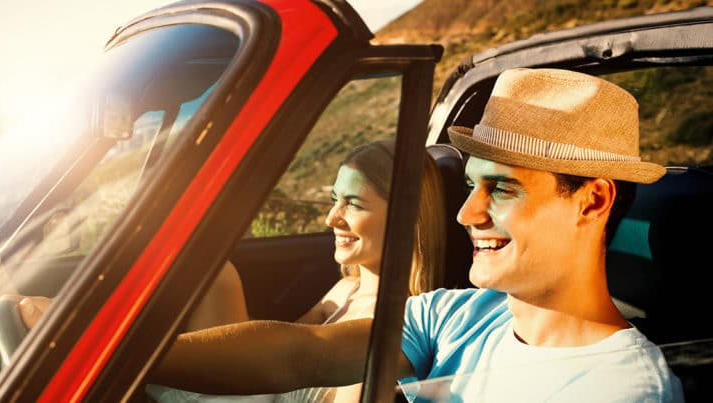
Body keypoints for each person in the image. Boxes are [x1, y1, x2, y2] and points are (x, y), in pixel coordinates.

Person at [150, 68, 684, 402]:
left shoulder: (622, 389)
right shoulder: (455, 314)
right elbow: (301, 352)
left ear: (591, 201)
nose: (465, 214)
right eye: (471, 186)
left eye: (500, 189)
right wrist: (125, 359)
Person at [0, 138, 448, 403]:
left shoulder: (397, 322)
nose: (331, 218)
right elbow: (284, 337)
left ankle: (74, 334)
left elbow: (299, 358)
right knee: (210, 270)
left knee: (53, 328)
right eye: (332, 199)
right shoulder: (349, 285)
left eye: (353, 204)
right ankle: (70, 334)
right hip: (258, 389)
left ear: (405, 218)